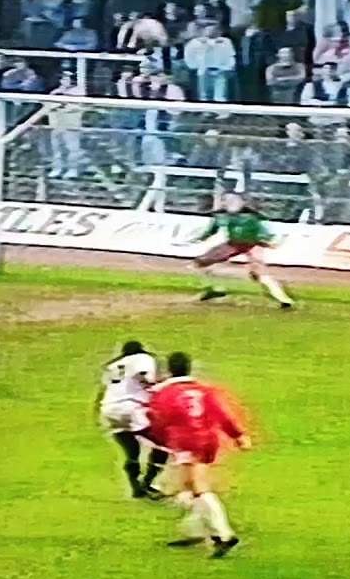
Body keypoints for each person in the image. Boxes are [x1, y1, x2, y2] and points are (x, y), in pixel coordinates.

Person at [147, 351, 250, 558]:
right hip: (208, 440)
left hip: (186, 441)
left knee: (198, 487)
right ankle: (198, 531)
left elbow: (157, 420)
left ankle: (224, 535)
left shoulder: (164, 394)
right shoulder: (204, 390)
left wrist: (162, 441)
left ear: (169, 370)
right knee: (185, 487)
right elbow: (221, 413)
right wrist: (238, 435)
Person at [190, 192, 294, 308]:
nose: (228, 203)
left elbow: (264, 233)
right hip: (233, 244)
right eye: (225, 200)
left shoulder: (252, 217)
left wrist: (268, 241)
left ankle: (283, 298)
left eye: (232, 201)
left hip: (253, 245)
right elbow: (212, 230)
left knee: (258, 273)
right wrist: (199, 237)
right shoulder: (222, 216)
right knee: (197, 263)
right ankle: (215, 289)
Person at [98, 340, 169, 499]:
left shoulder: (114, 366)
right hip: (131, 407)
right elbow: (145, 376)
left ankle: (136, 488)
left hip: (109, 410)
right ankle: (148, 482)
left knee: (132, 451)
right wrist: (160, 384)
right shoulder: (142, 358)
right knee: (163, 443)